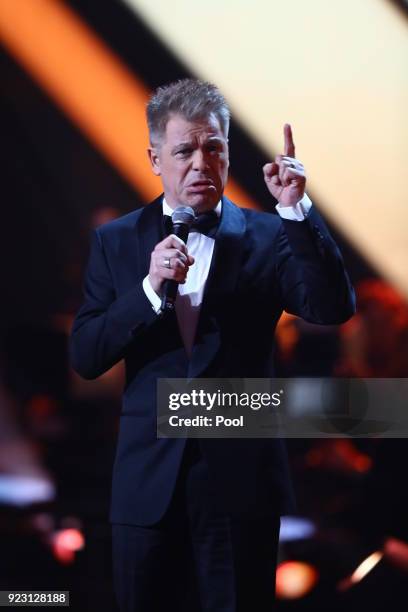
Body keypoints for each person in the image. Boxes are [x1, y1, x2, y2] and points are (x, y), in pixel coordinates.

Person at [70, 79, 355, 611]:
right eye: (184, 150)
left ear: (226, 152)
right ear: (155, 158)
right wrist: (150, 290)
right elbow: (86, 356)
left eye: (214, 147)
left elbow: (331, 307)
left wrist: (296, 210)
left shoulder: (271, 236)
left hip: (241, 485)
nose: (201, 162)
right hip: (147, 486)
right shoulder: (117, 242)